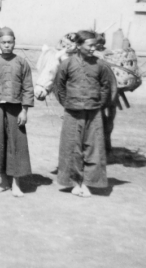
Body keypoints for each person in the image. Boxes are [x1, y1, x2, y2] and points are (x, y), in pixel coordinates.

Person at [54, 30, 113, 198]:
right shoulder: (67, 64)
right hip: (72, 111)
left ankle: (88, 183)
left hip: (94, 112)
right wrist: (67, 102)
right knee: (72, 146)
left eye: (95, 45)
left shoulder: (100, 65)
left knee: (93, 147)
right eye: (90, 46)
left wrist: (98, 103)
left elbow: (106, 86)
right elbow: (59, 86)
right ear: (79, 46)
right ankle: (74, 182)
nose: (93, 49)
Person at [0, 27, 34, 197]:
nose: (7, 45)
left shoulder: (21, 62)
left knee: (16, 144)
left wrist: (24, 111)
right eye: (3, 42)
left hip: (15, 109)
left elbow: (28, 87)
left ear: (14, 42)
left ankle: (16, 183)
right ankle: (4, 181)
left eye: (10, 42)